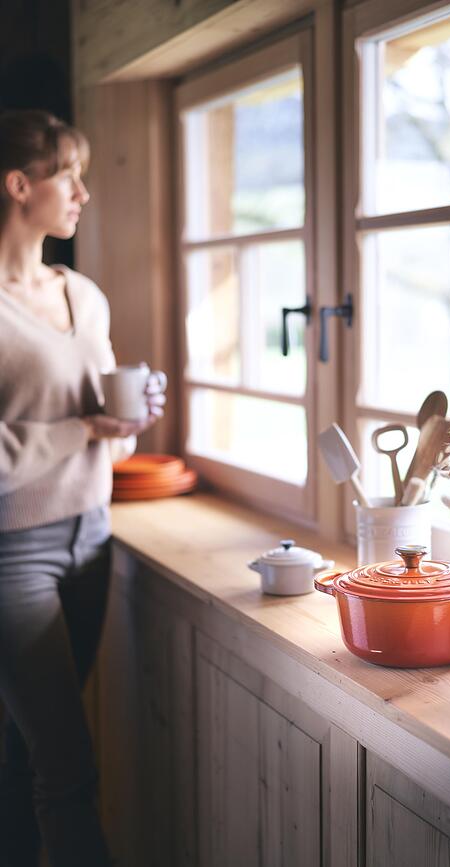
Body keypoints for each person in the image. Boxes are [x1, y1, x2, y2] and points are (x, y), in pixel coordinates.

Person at [0, 109, 165, 866]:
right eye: (71, 174)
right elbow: (74, 428)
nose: (84, 194)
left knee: (27, 749)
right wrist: (83, 432)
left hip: (92, 537)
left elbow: (108, 422)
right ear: (19, 184)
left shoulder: (85, 294)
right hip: (13, 556)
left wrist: (131, 418)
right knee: (66, 766)